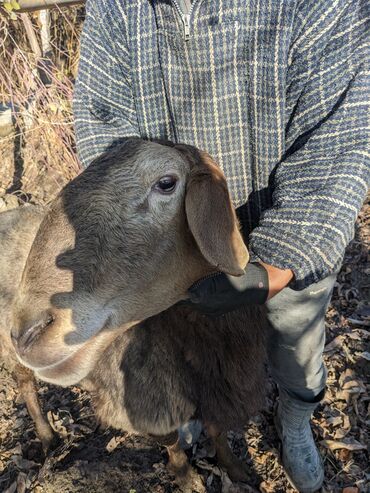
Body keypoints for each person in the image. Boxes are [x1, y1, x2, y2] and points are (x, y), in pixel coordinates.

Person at [73, 1, 370, 491]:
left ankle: (295, 419)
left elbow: (338, 143)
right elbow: (103, 127)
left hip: (281, 252)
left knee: (296, 345)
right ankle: (194, 415)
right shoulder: (120, 9)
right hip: (176, 253)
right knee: (183, 349)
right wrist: (156, 243)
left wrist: (277, 261)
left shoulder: (324, 8)